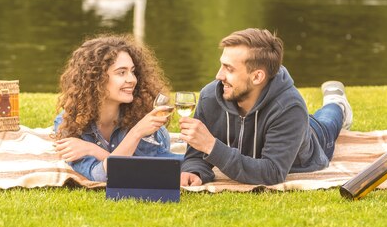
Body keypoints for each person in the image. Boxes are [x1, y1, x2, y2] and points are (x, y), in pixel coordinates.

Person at [179, 28, 353, 186]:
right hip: (286, 125)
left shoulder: (289, 108)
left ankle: (337, 102)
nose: (219, 75)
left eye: (229, 69)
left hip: (309, 137)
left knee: (328, 120)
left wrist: (212, 147)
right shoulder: (210, 97)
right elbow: (196, 154)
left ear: (257, 77)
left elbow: (272, 172)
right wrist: (195, 171)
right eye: (221, 65)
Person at [53, 35, 176, 181]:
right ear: (96, 78)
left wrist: (93, 150)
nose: (132, 79)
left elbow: (150, 170)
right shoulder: (68, 122)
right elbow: (98, 175)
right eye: (121, 72)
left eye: (133, 71)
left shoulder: (141, 115)